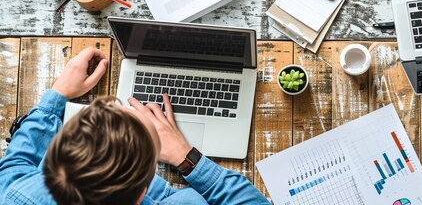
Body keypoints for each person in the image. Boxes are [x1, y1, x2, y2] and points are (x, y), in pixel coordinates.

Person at [0, 47, 269, 205]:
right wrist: (186, 158)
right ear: (142, 193)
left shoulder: (16, 194)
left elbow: (15, 165)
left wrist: (57, 95)